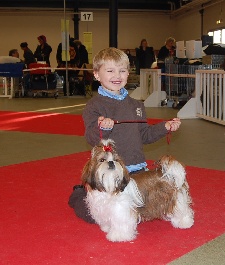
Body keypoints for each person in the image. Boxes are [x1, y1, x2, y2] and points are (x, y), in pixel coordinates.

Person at [68, 47, 181, 223]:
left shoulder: (136, 105)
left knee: (141, 212)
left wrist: (164, 127)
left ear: (128, 74)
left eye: (122, 71)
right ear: (97, 74)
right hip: (110, 174)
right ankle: (78, 194)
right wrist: (103, 127)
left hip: (137, 171)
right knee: (96, 217)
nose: (117, 76)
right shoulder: (94, 106)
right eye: (110, 70)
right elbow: (91, 138)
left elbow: (144, 135)